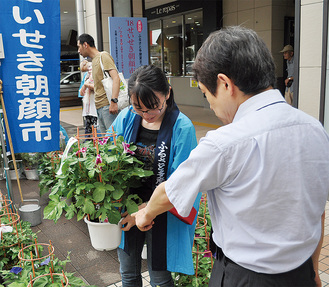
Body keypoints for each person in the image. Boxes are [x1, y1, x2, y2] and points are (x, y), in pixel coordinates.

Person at [133, 26, 329, 287]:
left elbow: (168, 193)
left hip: (244, 278)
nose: (211, 106)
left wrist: (144, 216)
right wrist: (314, 270)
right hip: (301, 274)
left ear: (225, 84)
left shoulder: (224, 143)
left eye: (206, 93)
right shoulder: (314, 129)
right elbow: (317, 212)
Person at [110, 65, 201, 287]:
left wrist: (145, 212)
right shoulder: (126, 118)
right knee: (128, 273)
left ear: (167, 93)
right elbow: (108, 157)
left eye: (153, 108)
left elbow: (181, 185)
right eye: (138, 108)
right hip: (128, 208)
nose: (147, 116)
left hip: (163, 210)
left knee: (160, 279)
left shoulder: (182, 128)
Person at [77, 33, 120, 134]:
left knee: (113, 140)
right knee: (106, 141)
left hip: (108, 106)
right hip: (100, 107)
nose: (78, 51)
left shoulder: (103, 56)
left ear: (85, 45)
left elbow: (116, 78)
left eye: (79, 47)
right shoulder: (94, 61)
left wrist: (114, 101)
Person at [79, 59, 97, 134]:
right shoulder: (86, 76)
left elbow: (97, 88)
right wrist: (85, 85)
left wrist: (86, 85)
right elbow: (81, 92)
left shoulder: (94, 73)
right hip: (88, 108)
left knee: (95, 129)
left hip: (95, 106)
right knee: (88, 128)